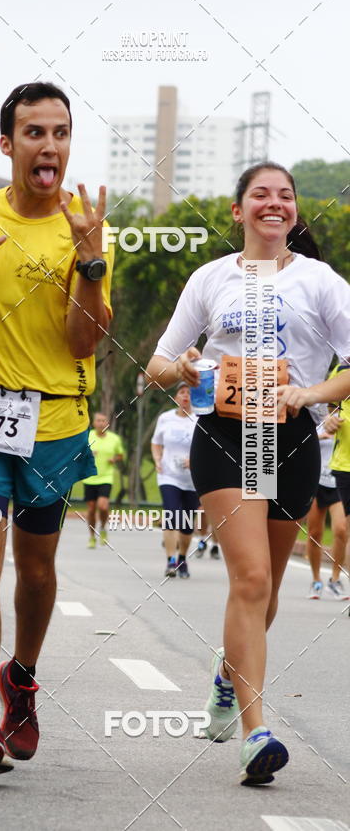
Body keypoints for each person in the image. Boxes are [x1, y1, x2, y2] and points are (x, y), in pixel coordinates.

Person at [145, 161, 350, 786]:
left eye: (285, 196)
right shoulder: (211, 279)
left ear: (294, 213)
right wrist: (182, 370)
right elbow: (154, 364)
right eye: (260, 194)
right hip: (225, 437)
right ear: (238, 211)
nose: (274, 204)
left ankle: (225, 673)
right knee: (254, 576)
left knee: (265, 595)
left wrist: (309, 394)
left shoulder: (321, 282)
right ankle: (256, 732)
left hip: (290, 440)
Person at [0, 82, 113, 776]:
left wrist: (89, 263)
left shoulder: (87, 226)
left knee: (36, 569)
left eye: (61, 133)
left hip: (56, 422)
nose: (50, 146)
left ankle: (21, 680)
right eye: (35, 133)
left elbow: (83, 342)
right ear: (8, 145)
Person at [151, 382, 201, 578]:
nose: (185, 396)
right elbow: (156, 443)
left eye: (189, 393)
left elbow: (209, 448)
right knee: (171, 515)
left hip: (192, 479)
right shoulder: (165, 418)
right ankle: (171, 561)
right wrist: (157, 459)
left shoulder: (200, 419)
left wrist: (196, 459)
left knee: (187, 524)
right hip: (168, 475)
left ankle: (182, 558)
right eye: (182, 392)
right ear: (176, 397)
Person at [306, 422, 348, 599]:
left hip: (337, 481)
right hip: (315, 482)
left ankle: (335, 579)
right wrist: (318, 437)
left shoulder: (344, 418)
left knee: (341, 530)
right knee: (315, 533)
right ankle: (316, 580)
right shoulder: (315, 417)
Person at [325, 361, 350, 598]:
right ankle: (332, 577)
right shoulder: (343, 368)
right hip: (345, 465)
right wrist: (331, 419)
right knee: (345, 529)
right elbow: (331, 404)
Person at [81, 412, 124, 547]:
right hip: (89, 478)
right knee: (92, 509)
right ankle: (92, 536)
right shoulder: (88, 436)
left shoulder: (114, 439)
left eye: (103, 421)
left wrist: (114, 459)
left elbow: (120, 455)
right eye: (98, 421)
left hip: (106, 477)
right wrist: (88, 454)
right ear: (94, 423)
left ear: (107, 423)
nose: (101, 423)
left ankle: (103, 528)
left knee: (103, 506)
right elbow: (79, 453)